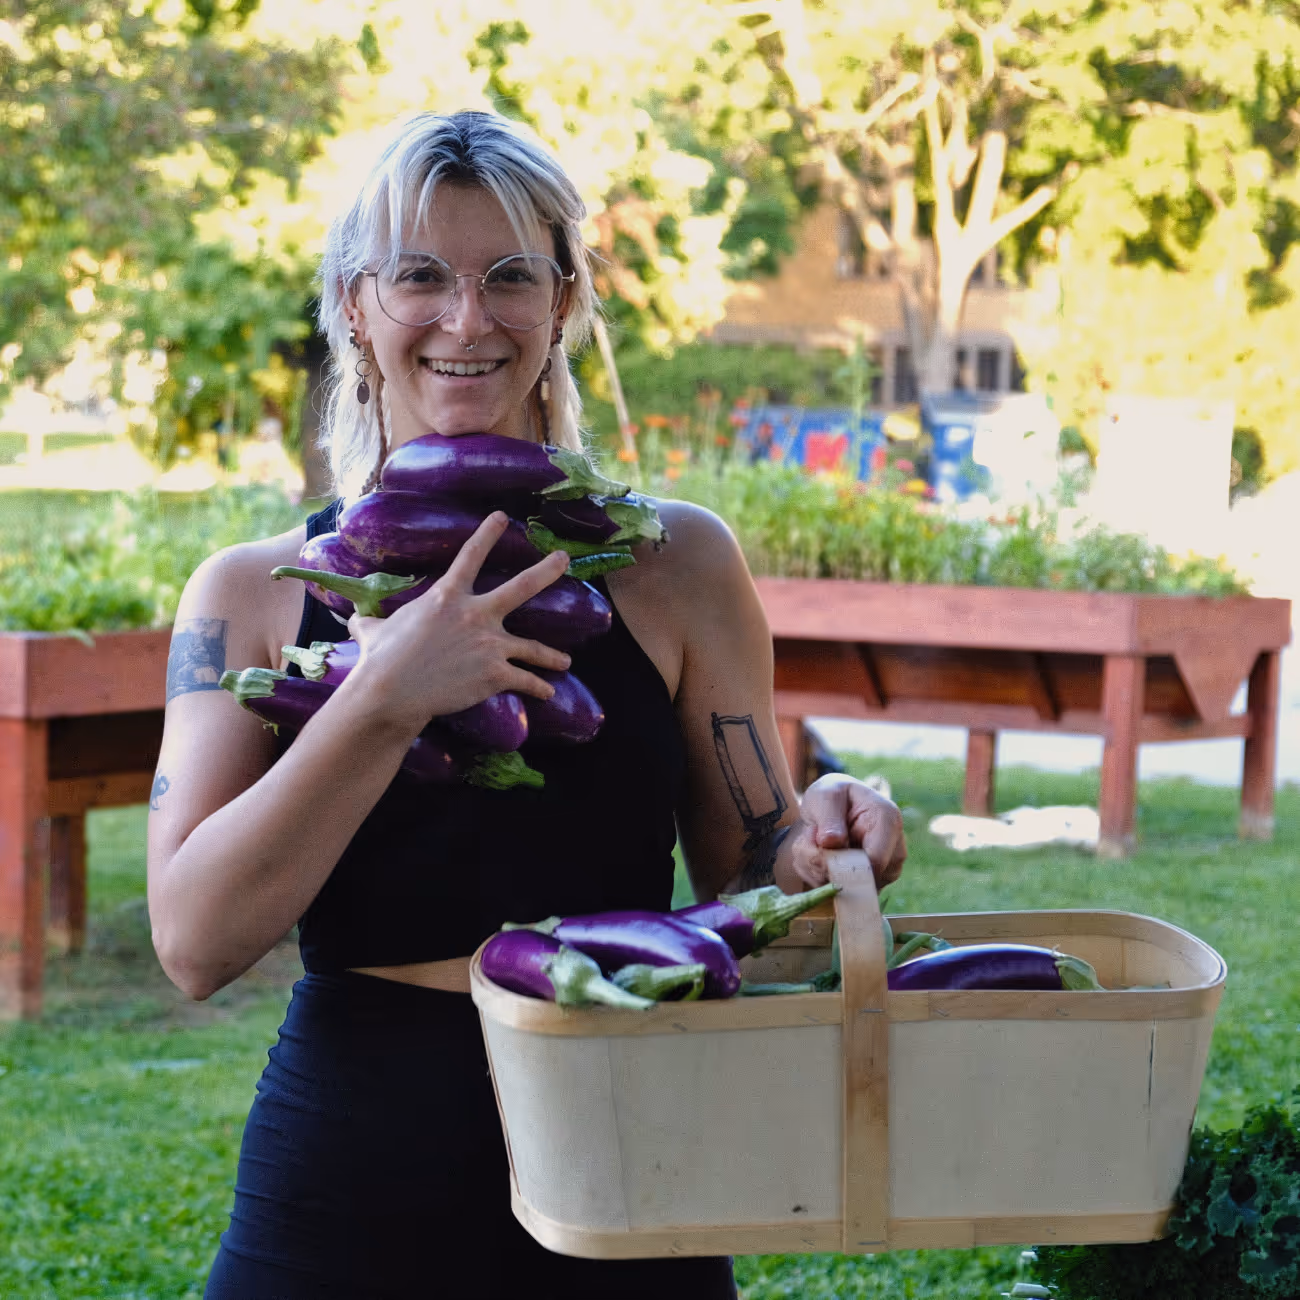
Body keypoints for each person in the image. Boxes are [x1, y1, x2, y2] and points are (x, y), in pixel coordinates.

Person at [147, 109, 907, 1300]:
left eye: (511, 275)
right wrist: (384, 698)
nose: (468, 318)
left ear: (562, 303)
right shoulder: (250, 596)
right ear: (354, 305)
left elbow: (761, 896)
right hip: (349, 1171)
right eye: (419, 277)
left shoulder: (680, 567)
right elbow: (193, 942)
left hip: (627, 1159)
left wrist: (825, 839)